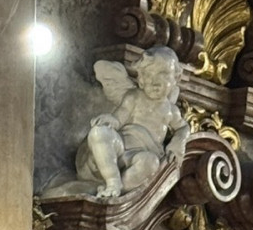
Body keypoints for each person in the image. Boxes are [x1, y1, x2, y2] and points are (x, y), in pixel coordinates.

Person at [76, 46, 190, 198]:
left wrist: (178, 143)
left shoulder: (171, 110)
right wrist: (111, 120)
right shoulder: (134, 97)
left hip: (140, 156)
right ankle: (112, 181)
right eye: (149, 74)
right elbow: (119, 118)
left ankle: (119, 191)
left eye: (163, 74)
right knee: (99, 132)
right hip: (121, 148)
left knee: (151, 164)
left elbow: (183, 127)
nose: (155, 81)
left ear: (176, 79)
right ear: (141, 79)